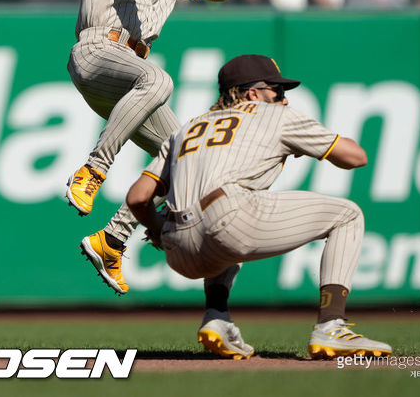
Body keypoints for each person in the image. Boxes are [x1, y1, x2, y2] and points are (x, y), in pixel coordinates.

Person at [66, 0, 266, 294]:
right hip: (98, 51)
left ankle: (112, 239)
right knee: (159, 81)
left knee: (185, 158)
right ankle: (93, 171)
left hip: (128, 76)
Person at [126, 54, 392, 360]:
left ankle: (217, 317)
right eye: (277, 91)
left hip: (179, 250)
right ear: (253, 93)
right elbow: (356, 157)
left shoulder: (186, 129)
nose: (283, 99)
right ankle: (331, 326)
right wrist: (305, 142)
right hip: (228, 220)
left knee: (221, 217)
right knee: (348, 215)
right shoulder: (275, 116)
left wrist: (160, 228)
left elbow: (137, 198)